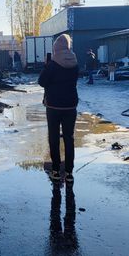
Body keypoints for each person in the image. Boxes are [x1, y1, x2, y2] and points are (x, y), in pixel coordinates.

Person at [38, 34, 79, 183]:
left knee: (54, 137)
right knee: (69, 138)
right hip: (70, 106)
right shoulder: (75, 63)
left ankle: (55, 171)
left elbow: (41, 82)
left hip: (54, 106)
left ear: (56, 48)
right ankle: (69, 173)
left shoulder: (52, 65)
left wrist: (46, 66)